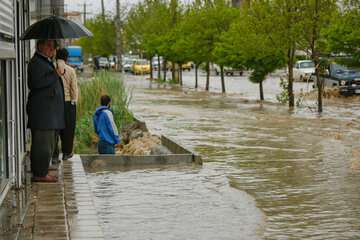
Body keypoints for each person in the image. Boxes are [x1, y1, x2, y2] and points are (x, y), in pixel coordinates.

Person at [27, 39, 65, 182]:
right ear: (40, 46)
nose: (51, 48)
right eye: (48, 45)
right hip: (43, 111)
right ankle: (40, 173)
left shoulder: (45, 61)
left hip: (48, 111)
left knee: (48, 143)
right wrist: (55, 73)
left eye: (53, 46)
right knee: (42, 143)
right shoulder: (36, 62)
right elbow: (36, 83)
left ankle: (42, 167)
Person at [53, 48, 78, 161]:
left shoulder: (52, 68)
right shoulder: (71, 70)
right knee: (68, 128)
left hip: (54, 102)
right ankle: (66, 153)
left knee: (55, 128)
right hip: (68, 103)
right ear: (66, 58)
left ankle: (54, 154)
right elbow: (74, 89)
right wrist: (74, 101)